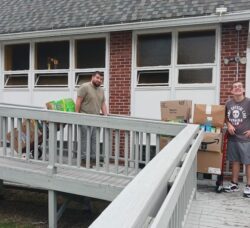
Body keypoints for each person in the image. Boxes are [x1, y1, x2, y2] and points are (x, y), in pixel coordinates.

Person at [224, 81, 250, 197]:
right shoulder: (228, 103)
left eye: (240, 86)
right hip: (233, 137)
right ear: (232, 91)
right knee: (235, 161)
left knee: (248, 162)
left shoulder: (248, 102)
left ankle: (249, 186)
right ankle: (234, 184)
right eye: (235, 87)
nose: (237, 88)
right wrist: (228, 124)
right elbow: (225, 116)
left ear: (243, 90)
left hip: (246, 138)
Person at [75, 71, 108, 166]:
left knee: (95, 140)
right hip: (84, 117)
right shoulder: (84, 87)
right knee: (85, 140)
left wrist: (106, 116)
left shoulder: (101, 90)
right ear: (92, 77)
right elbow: (78, 102)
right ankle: (83, 160)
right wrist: (76, 115)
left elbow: (102, 104)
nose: (99, 80)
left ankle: (93, 160)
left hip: (96, 119)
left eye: (101, 79)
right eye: (97, 78)